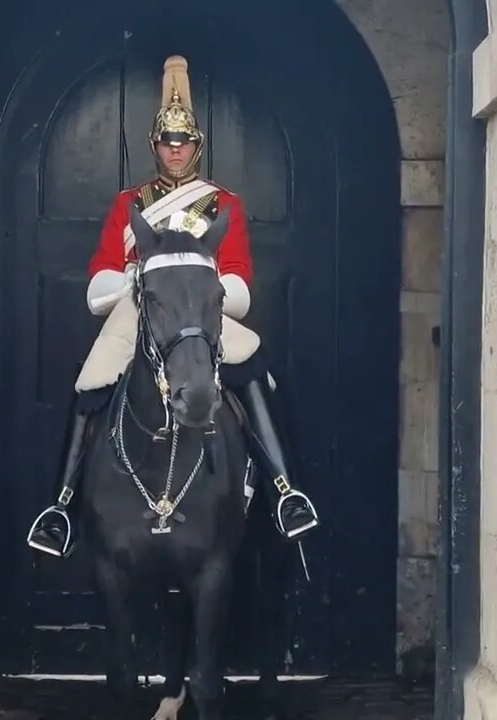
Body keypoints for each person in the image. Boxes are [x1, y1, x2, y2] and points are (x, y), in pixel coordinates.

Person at [25, 55, 321, 559]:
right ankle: (62, 504)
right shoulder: (129, 204)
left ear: (197, 146)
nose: (175, 151)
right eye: (167, 142)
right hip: (143, 307)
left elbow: (238, 275)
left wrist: (209, 288)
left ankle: (285, 491)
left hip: (205, 310)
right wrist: (132, 283)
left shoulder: (222, 202)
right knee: (91, 380)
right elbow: (101, 272)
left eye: (183, 143)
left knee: (252, 367)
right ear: (155, 146)